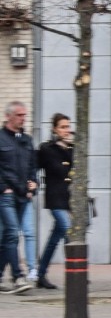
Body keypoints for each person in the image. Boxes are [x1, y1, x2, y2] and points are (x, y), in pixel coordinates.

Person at [0, 101, 37, 294]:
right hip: (6, 195)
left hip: (24, 195)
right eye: (19, 115)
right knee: (13, 233)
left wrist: (33, 183)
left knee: (7, 237)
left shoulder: (26, 140)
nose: (23, 118)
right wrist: (3, 188)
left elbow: (32, 165)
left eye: (24, 115)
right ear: (9, 116)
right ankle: (18, 276)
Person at [35, 113, 73, 290]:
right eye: (63, 127)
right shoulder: (47, 149)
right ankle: (76, 274)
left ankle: (40, 274)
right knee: (69, 232)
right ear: (55, 129)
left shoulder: (72, 149)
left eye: (68, 126)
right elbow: (33, 166)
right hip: (55, 198)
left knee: (54, 238)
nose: (67, 130)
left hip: (68, 199)